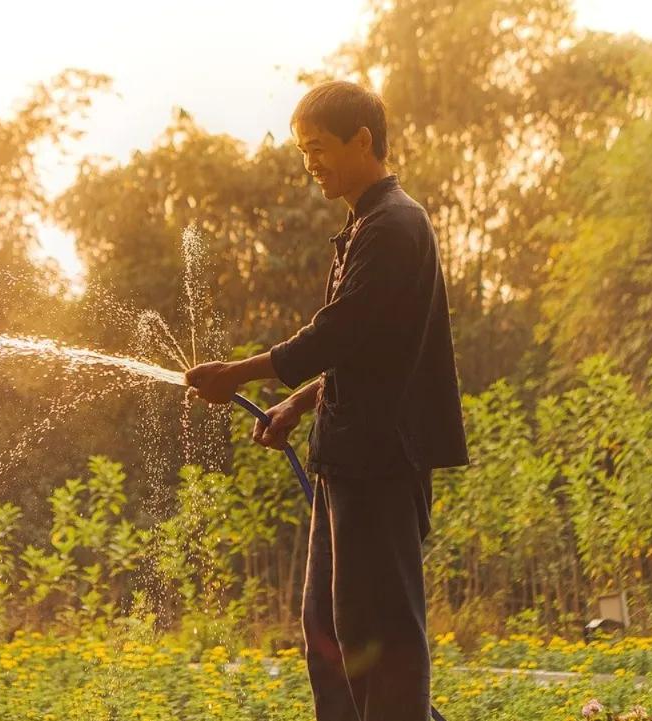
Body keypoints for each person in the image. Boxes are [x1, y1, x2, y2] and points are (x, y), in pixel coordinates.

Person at [185, 80, 470, 721]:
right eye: (302, 150)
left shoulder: (395, 225)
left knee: (381, 633)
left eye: (317, 148)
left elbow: (337, 333)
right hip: (346, 458)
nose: (309, 163)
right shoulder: (366, 223)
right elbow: (363, 349)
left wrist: (240, 373)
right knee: (331, 631)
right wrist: (299, 405)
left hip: (380, 462)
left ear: (361, 140)